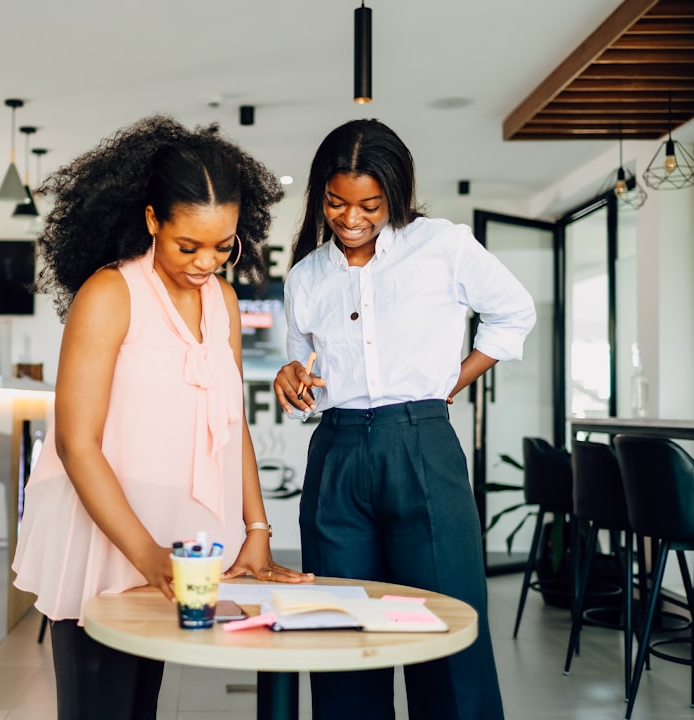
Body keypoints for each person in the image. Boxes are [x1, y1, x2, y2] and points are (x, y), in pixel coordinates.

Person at [11, 115, 313, 720]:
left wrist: (256, 531)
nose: (207, 262)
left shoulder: (222, 299)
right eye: (188, 245)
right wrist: (146, 555)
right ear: (152, 221)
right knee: (100, 705)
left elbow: (232, 425)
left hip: (174, 542)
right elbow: (77, 445)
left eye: (223, 245)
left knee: (140, 705)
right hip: (107, 535)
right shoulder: (110, 294)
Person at [272, 119, 536, 720]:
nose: (351, 217)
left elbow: (513, 314)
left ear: (395, 193)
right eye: (336, 202)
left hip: (422, 445)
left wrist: (452, 382)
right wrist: (290, 375)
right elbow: (300, 357)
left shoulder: (441, 245)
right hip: (336, 456)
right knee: (340, 638)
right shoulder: (307, 275)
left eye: (369, 203)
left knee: (445, 634)